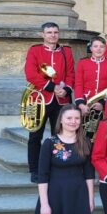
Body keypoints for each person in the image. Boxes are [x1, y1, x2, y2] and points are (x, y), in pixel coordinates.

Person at [25, 22, 76, 183]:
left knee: (60, 135)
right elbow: (31, 74)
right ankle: (34, 169)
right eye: (49, 32)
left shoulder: (66, 51)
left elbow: (71, 74)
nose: (52, 35)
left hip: (61, 101)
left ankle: (58, 166)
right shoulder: (35, 50)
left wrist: (66, 90)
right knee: (35, 136)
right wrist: (53, 87)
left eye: (55, 32)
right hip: (40, 99)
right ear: (43, 34)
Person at [74, 37, 107, 134]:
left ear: (105, 49)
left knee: (101, 135)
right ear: (91, 48)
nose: (99, 49)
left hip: (103, 105)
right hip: (85, 104)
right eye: (95, 46)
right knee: (84, 135)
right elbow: (78, 84)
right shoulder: (82, 63)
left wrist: (103, 104)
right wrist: (81, 104)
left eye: (102, 46)